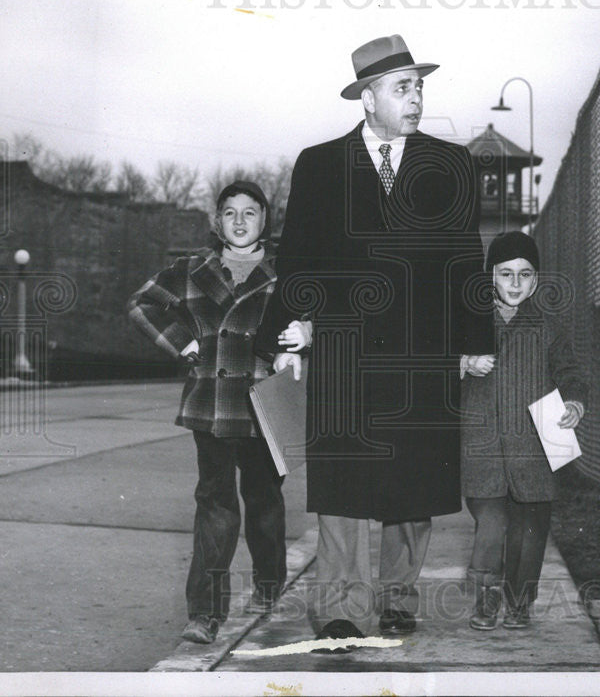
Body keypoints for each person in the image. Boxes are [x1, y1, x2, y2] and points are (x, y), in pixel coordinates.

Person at [257, 34, 494, 651]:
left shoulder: (451, 164)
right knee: (341, 482)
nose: (417, 99)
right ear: (368, 98)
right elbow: (298, 258)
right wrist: (291, 332)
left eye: (420, 86)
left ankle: (397, 598)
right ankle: (339, 606)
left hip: (422, 351)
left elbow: (466, 258)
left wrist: (473, 339)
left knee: (413, 484)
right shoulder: (318, 164)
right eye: (403, 87)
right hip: (344, 349)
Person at [128, 181, 306, 644]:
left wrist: (305, 335)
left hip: (266, 402)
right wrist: (181, 341)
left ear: (266, 220)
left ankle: (268, 586)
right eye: (230, 213)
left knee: (265, 502)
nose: (241, 221)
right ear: (217, 221)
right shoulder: (190, 269)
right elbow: (141, 304)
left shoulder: (287, 272)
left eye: (251, 212)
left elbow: (322, 315)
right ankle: (204, 613)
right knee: (215, 507)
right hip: (211, 403)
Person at [460, 231, 587, 630]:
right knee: (492, 526)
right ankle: (486, 596)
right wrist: (462, 362)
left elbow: (571, 375)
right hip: (483, 451)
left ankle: (519, 601)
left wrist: (573, 404)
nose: (515, 284)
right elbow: (432, 370)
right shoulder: (470, 324)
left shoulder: (549, 329)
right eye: (505, 274)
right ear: (489, 277)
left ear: (535, 280)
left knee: (529, 532)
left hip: (534, 450)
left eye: (525, 275)